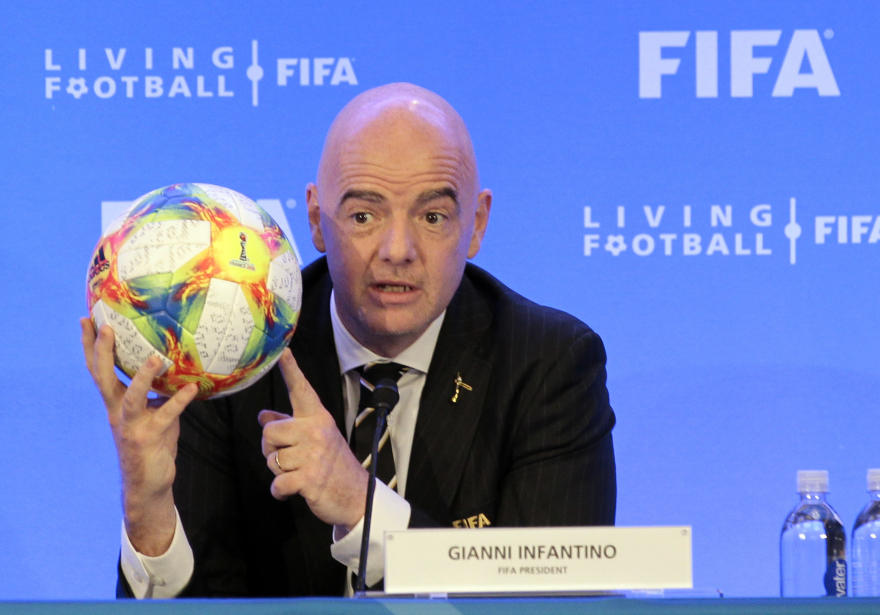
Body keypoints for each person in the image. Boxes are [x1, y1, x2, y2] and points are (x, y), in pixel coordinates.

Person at [81, 82, 616, 598]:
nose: (398, 249)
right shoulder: (231, 353)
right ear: (316, 220)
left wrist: (363, 508)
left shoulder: (549, 362)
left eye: (433, 216)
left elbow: (552, 598)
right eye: (364, 215)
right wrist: (148, 509)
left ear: (475, 225)